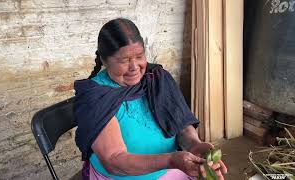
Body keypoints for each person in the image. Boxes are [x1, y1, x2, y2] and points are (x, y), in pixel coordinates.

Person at [73, 18, 227, 180]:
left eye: (139, 56)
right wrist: (170, 159)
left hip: (171, 170)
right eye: (124, 60)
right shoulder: (96, 97)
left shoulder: (157, 79)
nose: (134, 67)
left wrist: (194, 144)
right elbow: (114, 161)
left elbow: (181, 126)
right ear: (104, 61)